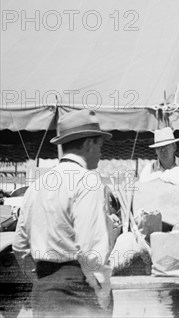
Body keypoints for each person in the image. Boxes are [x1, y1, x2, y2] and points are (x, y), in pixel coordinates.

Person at [13, 110, 114, 317]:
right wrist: (102, 294)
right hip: (78, 291)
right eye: (99, 146)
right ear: (88, 144)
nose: (100, 153)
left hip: (42, 292)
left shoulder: (36, 186)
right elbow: (91, 249)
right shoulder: (87, 181)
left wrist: (43, 280)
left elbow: (19, 246)